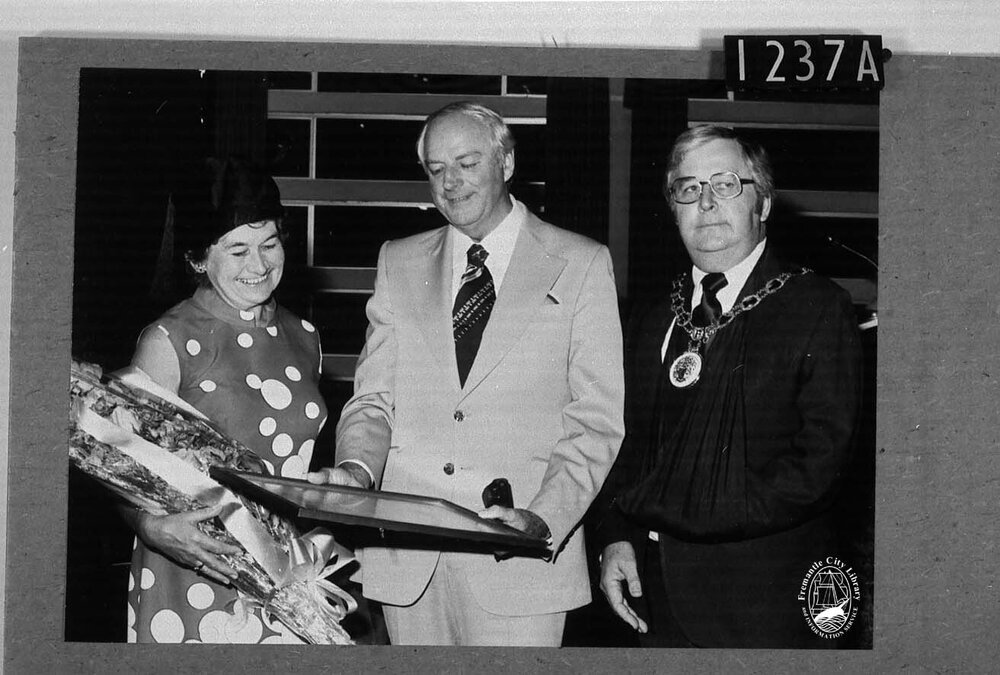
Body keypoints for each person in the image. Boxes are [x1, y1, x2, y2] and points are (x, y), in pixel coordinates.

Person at [308, 101, 625, 646]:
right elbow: (372, 399)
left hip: (521, 565)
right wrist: (357, 473)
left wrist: (542, 519)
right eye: (436, 169)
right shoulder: (397, 260)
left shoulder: (581, 262)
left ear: (505, 164)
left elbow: (595, 422)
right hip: (409, 566)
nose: (450, 183)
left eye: (466, 163)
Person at [594, 125, 862, 648]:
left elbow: (820, 464)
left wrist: (693, 515)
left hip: (763, 602)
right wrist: (618, 538)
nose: (707, 202)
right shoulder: (652, 317)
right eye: (689, 189)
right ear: (673, 208)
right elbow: (624, 448)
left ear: (761, 203)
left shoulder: (816, 306)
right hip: (653, 600)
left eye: (726, 184)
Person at [119, 158, 328, 643]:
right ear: (198, 259)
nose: (258, 266)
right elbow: (114, 466)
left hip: (287, 574)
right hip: (196, 569)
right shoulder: (167, 340)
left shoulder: (306, 336)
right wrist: (150, 526)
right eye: (237, 250)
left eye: (269, 244)